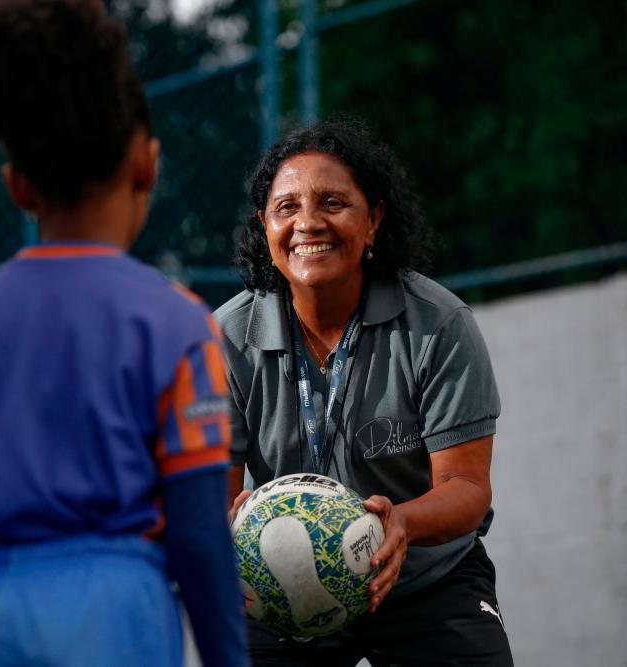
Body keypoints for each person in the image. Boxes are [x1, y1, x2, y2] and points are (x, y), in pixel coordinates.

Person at [0, 1, 248, 666]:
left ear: (17, 185)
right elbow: (198, 532)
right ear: (147, 162)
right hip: (107, 615)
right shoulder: (178, 322)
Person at [215, 118, 513, 666]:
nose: (308, 223)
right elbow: (217, 495)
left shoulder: (439, 324)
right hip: (287, 594)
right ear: (264, 227)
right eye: (286, 208)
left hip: (426, 582)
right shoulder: (225, 339)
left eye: (333, 202)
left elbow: (468, 487)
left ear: (374, 219)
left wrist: (401, 523)